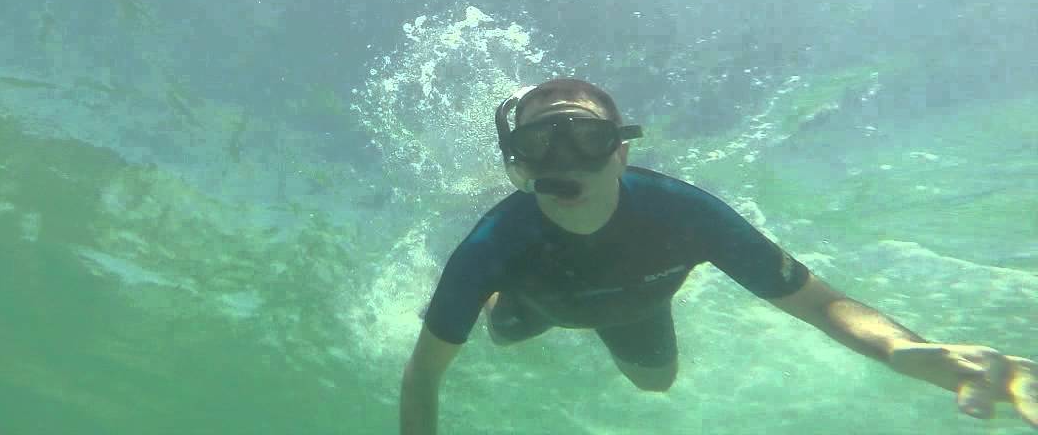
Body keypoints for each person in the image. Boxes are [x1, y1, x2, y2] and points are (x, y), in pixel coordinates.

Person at [400, 78, 1037, 434]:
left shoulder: (683, 213)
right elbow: (424, 376)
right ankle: (493, 302)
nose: (566, 161)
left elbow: (823, 304)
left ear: (621, 151)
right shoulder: (492, 243)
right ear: (518, 165)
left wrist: (902, 350)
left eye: (587, 138)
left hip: (636, 306)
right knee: (503, 332)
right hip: (536, 303)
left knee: (656, 383)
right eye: (542, 143)